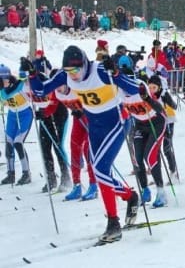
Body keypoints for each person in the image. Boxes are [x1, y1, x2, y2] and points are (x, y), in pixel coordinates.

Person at [21, 46, 139, 244]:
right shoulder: (65, 75)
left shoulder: (100, 70)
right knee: (101, 172)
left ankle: (113, 223)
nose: (73, 76)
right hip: (95, 126)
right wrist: (32, 74)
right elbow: (41, 89)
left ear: (85, 64)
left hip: (117, 122)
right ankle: (129, 195)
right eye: (69, 71)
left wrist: (116, 72)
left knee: (100, 170)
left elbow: (134, 88)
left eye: (77, 70)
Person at [50, 69, 98, 201]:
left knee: (88, 151)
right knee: (74, 147)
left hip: (91, 118)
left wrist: (82, 110)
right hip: (78, 120)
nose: (57, 89)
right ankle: (76, 185)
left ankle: (93, 185)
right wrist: (43, 113)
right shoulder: (56, 92)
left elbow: (91, 100)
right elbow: (51, 106)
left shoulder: (76, 88)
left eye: (59, 85)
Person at [125, 74, 167, 207]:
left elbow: (160, 109)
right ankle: (145, 190)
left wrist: (147, 98)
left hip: (157, 123)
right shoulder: (118, 92)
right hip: (140, 125)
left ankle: (161, 192)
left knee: (150, 156)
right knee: (137, 159)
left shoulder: (140, 87)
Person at [0, 65, 33, 185]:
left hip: (25, 114)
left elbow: (28, 84)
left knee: (18, 142)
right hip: (12, 115)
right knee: (9, 143)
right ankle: (11, 174)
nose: (2, 83)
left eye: (3, 80)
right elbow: (4, 97)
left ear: (8, 78)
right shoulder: (3, 90)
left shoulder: (20, 85)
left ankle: (26, 173)